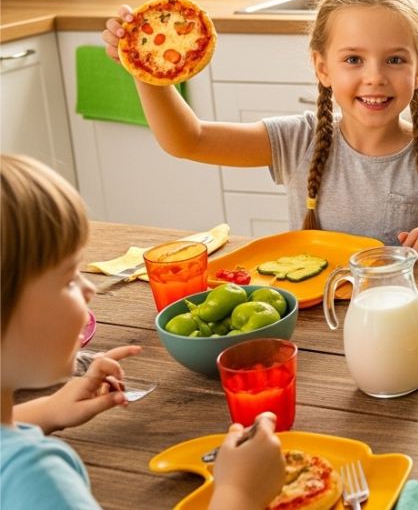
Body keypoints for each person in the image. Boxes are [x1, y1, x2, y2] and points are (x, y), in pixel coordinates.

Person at [101, 0, 418, 263]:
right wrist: (143, 69)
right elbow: (189, 140)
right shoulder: (299, 141)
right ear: (322, 68)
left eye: (395, 60)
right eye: (353, 60)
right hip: (315, 327)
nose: (375, 77)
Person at [0, 154, 285, 509]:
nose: (90, 290)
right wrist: (238, 494)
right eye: (69, 278)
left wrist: (47, 412)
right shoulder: (33, 477)